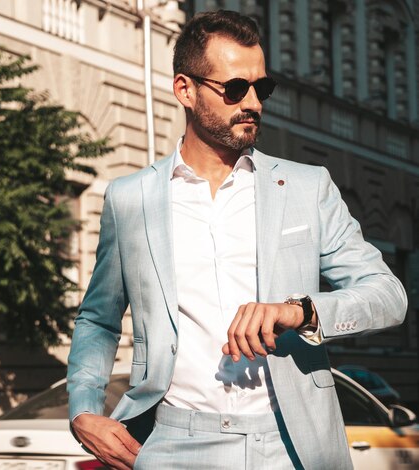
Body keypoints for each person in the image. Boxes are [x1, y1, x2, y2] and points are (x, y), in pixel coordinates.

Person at [66, 10, 407, 470]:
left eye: (261, 88)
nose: (253, 103)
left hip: (292, 444)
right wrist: (84, 408)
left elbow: (388, 295)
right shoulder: (131, 200)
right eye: (234, 89)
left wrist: (300, 311)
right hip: (172, 442)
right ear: (185, 89)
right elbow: (98, 319)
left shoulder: (307, 187)